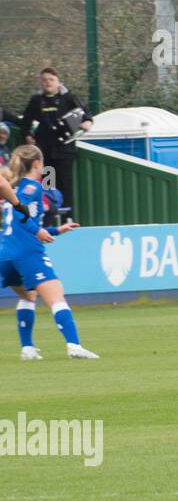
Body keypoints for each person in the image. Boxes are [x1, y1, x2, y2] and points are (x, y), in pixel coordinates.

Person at [0, 145, 97, 359]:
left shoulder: (13, 187)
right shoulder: (31, 187)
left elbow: (24, 220)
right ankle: (74, 346)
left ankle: (27, 349)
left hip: (5, 252)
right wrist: (39, 231)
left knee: (29, 295)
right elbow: (19, 217)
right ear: (37, 164)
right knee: (56, 295)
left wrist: (56, 230)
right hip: (26, 251)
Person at [17, 68, 94, 218]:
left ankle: (67, 218)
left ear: (58, 82)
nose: (48, 83)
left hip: (64, 150)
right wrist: (27, 136)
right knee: (47, 184)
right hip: (44, 151)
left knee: (65, 184)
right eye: (44, 80)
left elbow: (86, 114)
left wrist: (87, 122)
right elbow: (25, 123)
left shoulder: (68, 98)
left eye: (51, 80)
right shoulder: (37, 100)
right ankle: (49, 217)